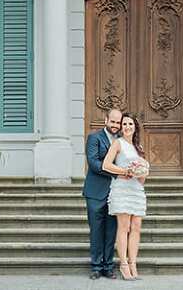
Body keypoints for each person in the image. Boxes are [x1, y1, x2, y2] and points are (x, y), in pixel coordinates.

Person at [102, 112, 148, 281]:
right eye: (125, 124)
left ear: (135, 127)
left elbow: (141, 178)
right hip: (122, 189)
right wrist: (125, 171)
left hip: (136, 190)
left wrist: (143, 171)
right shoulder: (117, 143)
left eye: (130, 124)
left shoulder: (139, 148)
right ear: (121, 127)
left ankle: (133, 263)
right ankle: (123, 265)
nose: (127, 127)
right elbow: (106, 165)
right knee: (124, 227)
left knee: (136, 227)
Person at [82, 108, 122, 280]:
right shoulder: (94, 138)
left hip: (116, 193)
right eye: (112, 121)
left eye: (118, 122)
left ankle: (108, 266)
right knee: (97, 230)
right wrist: (117, 172)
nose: (115, 125)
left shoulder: (122, 141)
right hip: (95, 192)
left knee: (111, 231)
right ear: (106, 120)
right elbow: (93, 163)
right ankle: (96, 267)